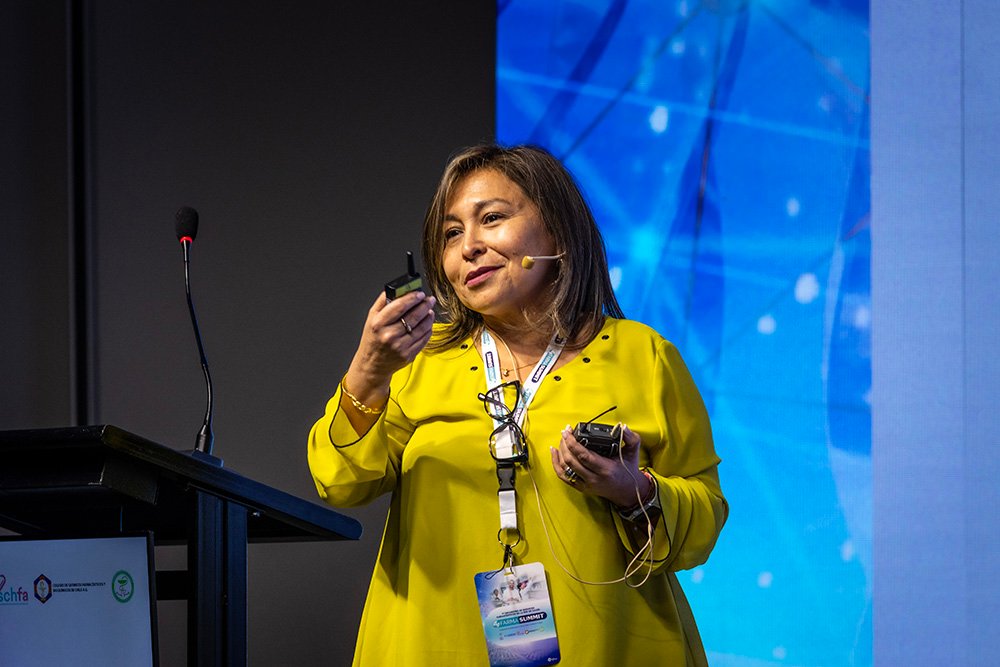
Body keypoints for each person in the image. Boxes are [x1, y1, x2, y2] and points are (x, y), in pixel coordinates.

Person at [308, 144, 728, 666]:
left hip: (610, 649)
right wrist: (368, 370)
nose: (468, 247)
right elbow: (339, 483)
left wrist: (632, 491)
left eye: (491, 219)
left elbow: (703, 522)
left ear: (558, 231)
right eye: (451, 234)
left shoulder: (645, 356)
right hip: (433, 647)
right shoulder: (419, 360)